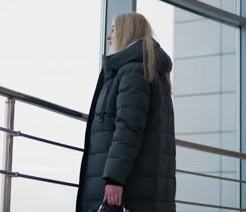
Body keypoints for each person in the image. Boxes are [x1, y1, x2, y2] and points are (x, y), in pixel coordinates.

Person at [75, 12, 176, 212]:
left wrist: (114, 178)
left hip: (127, 187)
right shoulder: (147, 70)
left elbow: (128, 128)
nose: (109, 37)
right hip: (142, 184)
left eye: (112, 29)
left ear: (125, 32)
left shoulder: (132, 71)